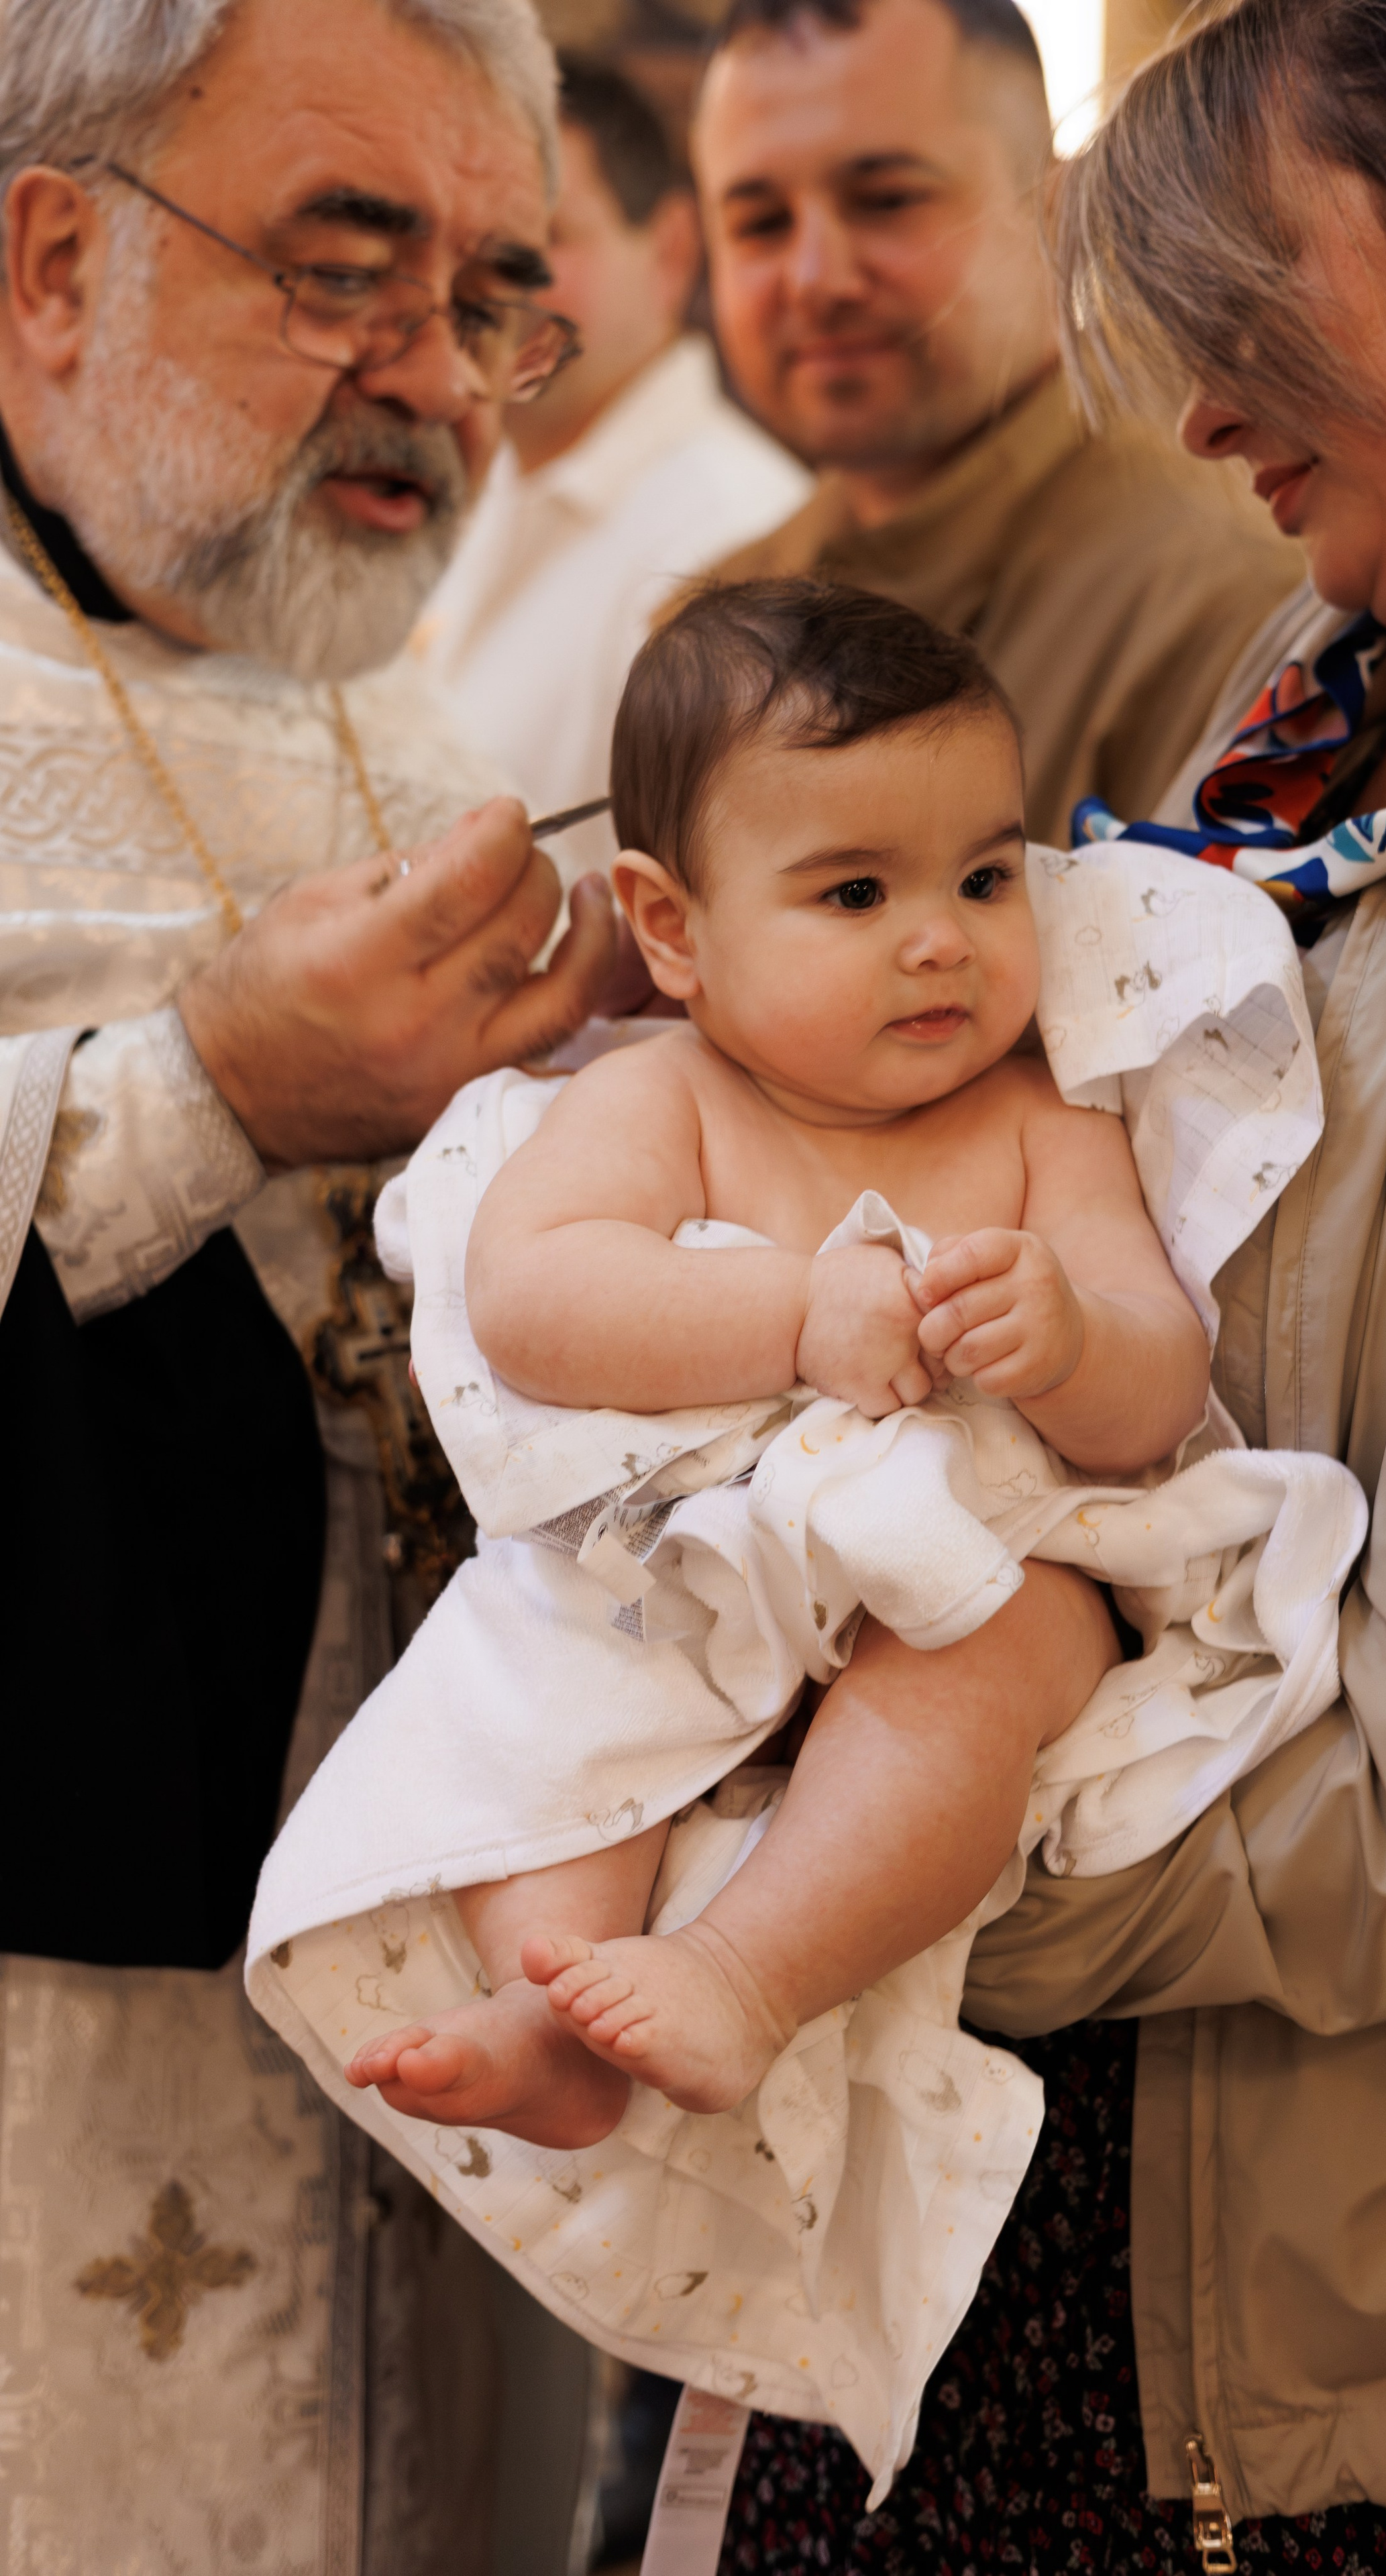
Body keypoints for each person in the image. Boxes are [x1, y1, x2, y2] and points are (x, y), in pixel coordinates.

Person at [716, 0, 1386, 2568]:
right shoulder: (1331, 712)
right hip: (1046, 2205)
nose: (1186, 420)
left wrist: (847, 1887)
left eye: (1226, 304)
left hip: (1295, 2328)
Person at [0, 1, 621, 2567]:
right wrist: (203, 1093)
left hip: (415, 1964)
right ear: (50, 260)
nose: (436, 384)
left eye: (493, 299)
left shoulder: (421, 720)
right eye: (347, 269)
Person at [339, 576, 1204, 2139]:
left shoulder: (1039, 1125)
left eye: (985, 876)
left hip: (961, 1566)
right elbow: (529, 1295)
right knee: (540, 1659)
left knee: (988, 1651)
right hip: (694, 1559)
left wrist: (1066, 1336)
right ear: (671, 927)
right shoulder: (661, 1100)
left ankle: (746, 1968)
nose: (941, 941)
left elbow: (1155, 1391)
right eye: (855, 894)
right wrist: (797, 1315)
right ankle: (555, 2000)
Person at [691, 0, 1303, 849]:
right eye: (760, 223)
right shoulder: (721, 616)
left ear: (1052, 209)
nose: (814, 278)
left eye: (885, 199)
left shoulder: (1222, 598)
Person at [420, 52, 810, 832]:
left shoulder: (731, 541)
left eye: (542, 238)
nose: (493, 287)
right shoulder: (471, 485)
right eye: (467, 247)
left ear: (670, 254)